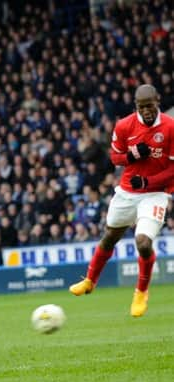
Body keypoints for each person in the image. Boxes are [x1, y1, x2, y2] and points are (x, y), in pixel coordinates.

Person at [70, 84, 174, 317]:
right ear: (136, 106)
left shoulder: (170, 127)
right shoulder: (125, 125)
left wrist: (148, 183)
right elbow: (115, 157)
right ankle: (89, 281)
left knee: (143, 242)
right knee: (109, 238)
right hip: (127, 192)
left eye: (150, 106)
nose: (146, 111)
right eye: (141, 107)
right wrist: (132, 155)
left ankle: (141, 292)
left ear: (158, 102)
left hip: (155, 194)